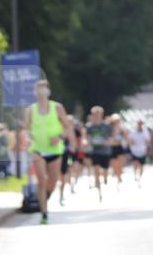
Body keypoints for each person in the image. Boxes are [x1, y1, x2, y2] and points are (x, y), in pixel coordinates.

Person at [23, 79, 74, 224]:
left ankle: (45, 197)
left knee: (52, 182)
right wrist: (27, 138)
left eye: (44, 88)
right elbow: (26, 129)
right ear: (35, 92)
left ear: (48, 91)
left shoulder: (57, 107)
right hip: (37, 149)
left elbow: (67, 127)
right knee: (41, 180)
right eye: (38, 89)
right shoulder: (30, 110)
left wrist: (59, 137)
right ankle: (44, 212)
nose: (41, 91)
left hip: (55, 150)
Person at [84, 106, 111, 202]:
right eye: (94, 114)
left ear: (101, 115)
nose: (96, 116)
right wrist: (87, 141)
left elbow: (112, 136)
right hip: (95, 151)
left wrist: (108, 141)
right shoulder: (89, 126)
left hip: (105, 151)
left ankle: (105, 178)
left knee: (105, 171)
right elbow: (86, 137)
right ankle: (99, 191)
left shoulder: (106, 125)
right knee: (96, 169)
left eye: (98, 114)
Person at [127, 119, 150, 186]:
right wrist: (131, 143)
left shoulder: (145, 132)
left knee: (142, 166)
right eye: (139, 124)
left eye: (141, 124)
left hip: (142, 151)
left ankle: (140, 177)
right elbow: (129, 140)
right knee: (135, 164)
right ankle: (135, 175)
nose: (140, 125)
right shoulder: (132, 132)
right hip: (134, 151)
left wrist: (146, 143)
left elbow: (148, 141)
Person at [107, 114, 127, 189]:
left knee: (121, 163)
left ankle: (119, 175)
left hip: (119, 147)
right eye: (116, 120)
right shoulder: (110, 129)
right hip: (112, 148)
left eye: (118, 120)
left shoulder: (122, 129)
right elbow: (111, 139)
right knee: (115, 164)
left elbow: (125, 138)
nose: (117, 122)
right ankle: (117, 175)